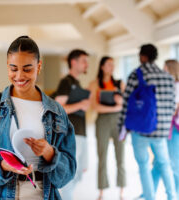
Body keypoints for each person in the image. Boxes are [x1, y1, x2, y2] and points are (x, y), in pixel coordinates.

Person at [0, 36, 77, 200]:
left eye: (27, 69)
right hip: (0, 194)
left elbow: (67, 172)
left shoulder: (56, 111)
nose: (19, 76)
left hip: (43, 194)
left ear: (39, 66)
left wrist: (50, 153)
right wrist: (3, 165)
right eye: (13, 69)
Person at [119, 44, 176, 200]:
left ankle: (150, 198)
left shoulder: (136, 75)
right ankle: (172, 196)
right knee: (165, 164)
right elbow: (172, 106)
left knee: (144, 166)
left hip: (141, 128)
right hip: (161, 131)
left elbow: (126, 105)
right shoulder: (169, 78)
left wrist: (121, 129)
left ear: (143, 57)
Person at [53, 49, 91, 200]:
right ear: (73, 62)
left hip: (81, 132)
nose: (86, 64)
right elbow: (58, 107)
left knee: (80, 171)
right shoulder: (66, 82)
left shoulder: (77, 83)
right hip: (72, 134)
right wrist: (81, 104)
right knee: (71, 172)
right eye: (84, 61)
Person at [89, 56, 126, 200]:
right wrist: (116, 107)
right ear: (102, 66)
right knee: (102, 155)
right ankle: (102, 191)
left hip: (118, 121)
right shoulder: (95, 84)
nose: (112, 67)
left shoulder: (120, 83)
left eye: (113, 64)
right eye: (109, 64)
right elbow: (95, 106)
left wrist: (120, 102)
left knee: (120, 156)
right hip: (102, 121)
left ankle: (122, 190)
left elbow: (126, 104)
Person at [151, 59, 179, 200]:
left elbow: (172, 110)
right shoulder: (170, 85)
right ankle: (149, 192)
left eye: (164, 68)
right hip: (165, 129)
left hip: (173, 130)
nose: (163, 71)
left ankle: (174, 195)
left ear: (170, 69)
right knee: (157, 162)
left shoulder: (176, 86)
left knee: (173, 164)